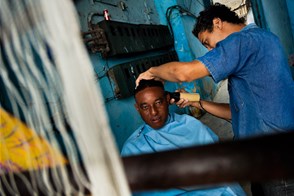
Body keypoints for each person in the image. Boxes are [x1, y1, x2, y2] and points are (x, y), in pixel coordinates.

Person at [135, 3, 294, 196]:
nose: (210, 51)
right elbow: (238, 114)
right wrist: (197, 103)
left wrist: (152, 72)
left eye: (207, 42)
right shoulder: (264, 40)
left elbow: (185, 73)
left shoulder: (243, 41)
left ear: (217, 23)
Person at [121, 79, 245, 196]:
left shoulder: (189, 124)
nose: (153, 112)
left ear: (167, 99)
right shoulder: (132, 148)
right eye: (145, 107)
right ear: (138, 109)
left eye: (158, 102)